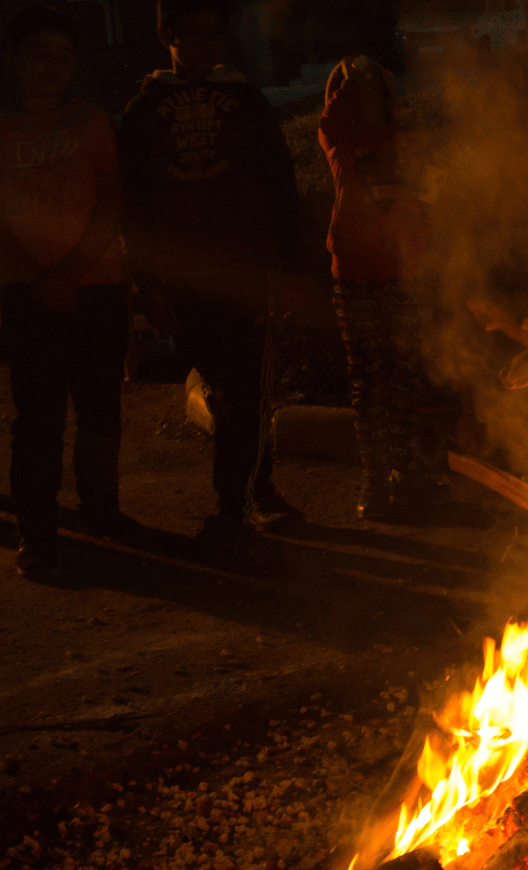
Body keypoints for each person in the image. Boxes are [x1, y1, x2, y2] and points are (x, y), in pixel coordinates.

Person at [118, 0, 307, 548]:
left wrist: (290, 268)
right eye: (192, 34)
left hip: (245, 273)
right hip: (184, 279)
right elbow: (134, 208)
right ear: (165, 34)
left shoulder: (246, 103)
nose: (205, 45)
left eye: (214, 35)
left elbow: (280, 189)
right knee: (226, 389)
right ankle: (257, 490)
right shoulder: (143, 112)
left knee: (245, 389)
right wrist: (148, 286)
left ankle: (237, 507)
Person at [0, 7, 137, 576]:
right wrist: (41, 278)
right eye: (40, 54)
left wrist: (71, 272)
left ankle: (102, 511)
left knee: (100, 410)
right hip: (28, 296)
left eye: (63, 56)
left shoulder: (89, 122)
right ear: (13, 60)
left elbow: (111, 203)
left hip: (98, 290)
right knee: (37, 418)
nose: (53, 67)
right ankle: (35, 535)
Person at [318, 55, 440, 521]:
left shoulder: (410, 142)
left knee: (404, 377)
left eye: (376, 90)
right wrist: (347, 72)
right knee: (368, 381)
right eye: (358, 91)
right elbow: (327, 115)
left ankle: (406, 477)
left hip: (404, 273)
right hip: (353, 274)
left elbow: (431, 197)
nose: (367, 97)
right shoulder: (337, 137)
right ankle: (374, 478)